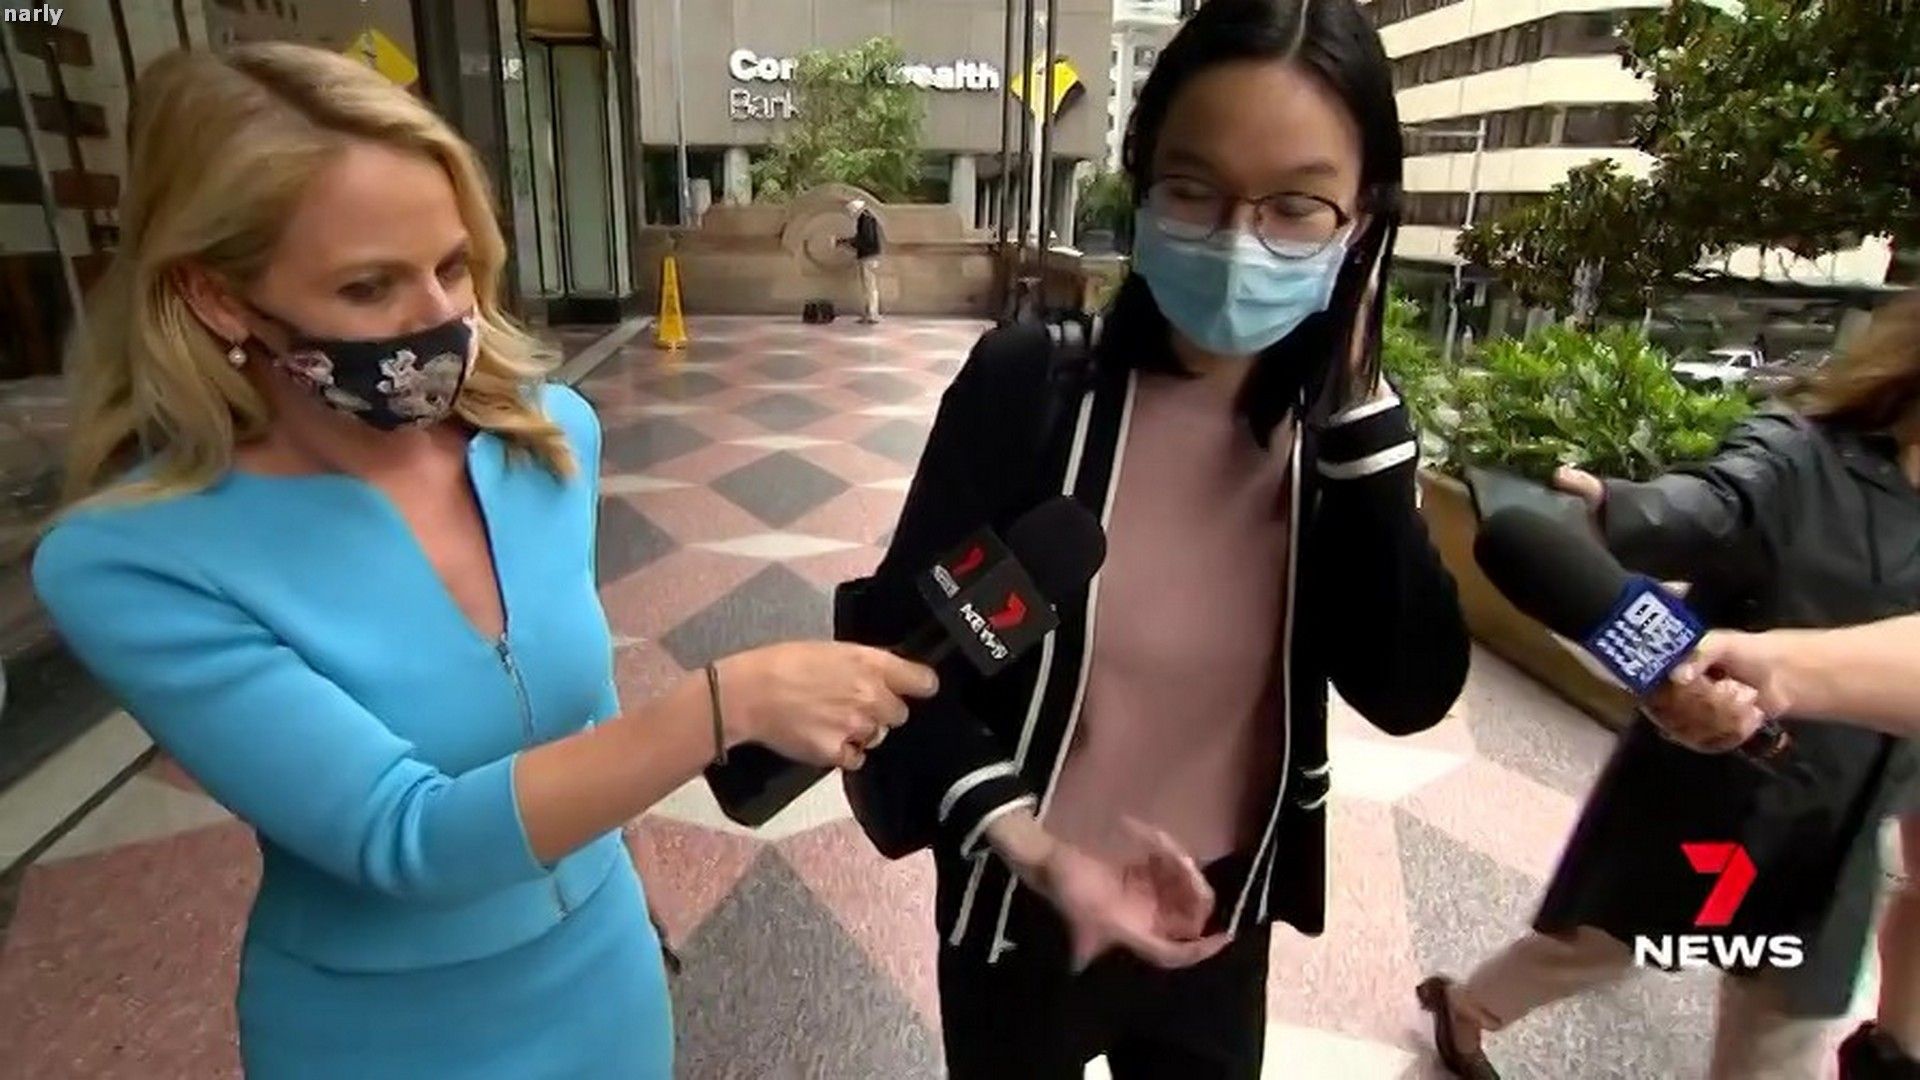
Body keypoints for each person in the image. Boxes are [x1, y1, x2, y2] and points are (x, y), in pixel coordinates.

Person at [32, 45, 937, 1079]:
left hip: (608, 981)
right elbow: (400, 836)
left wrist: (631, 881)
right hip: (386, 1035)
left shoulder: (545, 439)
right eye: (369, 285)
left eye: (452, 265)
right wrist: (721, 707)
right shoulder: (133, 562)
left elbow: (580, 701)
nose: (436, 316)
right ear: (218, 296)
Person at [833, 2, 1470, 1075]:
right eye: (1193, 189)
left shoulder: (1338, 446)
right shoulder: (1036, 395)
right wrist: (1036, 850)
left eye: (1295, 206)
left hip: (1219, 922)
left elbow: (1407, 691)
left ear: (1361, 220)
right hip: (1022, 911)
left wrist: (1358, 414)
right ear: (1141, 183)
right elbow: (903, 662)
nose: (1237, 240)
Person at [1420, 289, 1920, 1080]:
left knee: (1787, 1025)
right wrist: (1620, 513)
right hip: (1726, 788)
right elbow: (1711, 502)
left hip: (1840, 841)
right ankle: (1468, 1010)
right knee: (1612, 944)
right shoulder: (1804, 456)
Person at [846, 197, 883, 323]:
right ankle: (871, 313)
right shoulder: (869, 217)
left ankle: (872, 314)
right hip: (872, 255)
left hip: (868, 256)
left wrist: (849, 243)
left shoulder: (864, 219)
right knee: (870, 286)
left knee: (869, 286)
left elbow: (864, 239)